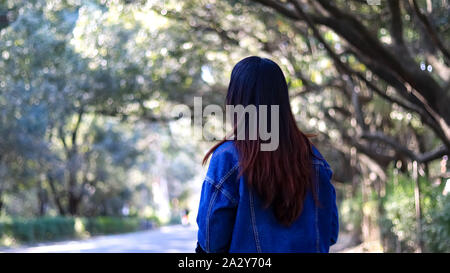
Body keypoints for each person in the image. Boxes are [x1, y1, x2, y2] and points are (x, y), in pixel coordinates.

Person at [195, 56, 338, 253]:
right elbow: (330, 232)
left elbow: (211, 240)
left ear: (236, 101)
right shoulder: (314, 159)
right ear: (282, 100)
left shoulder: (228, 158)